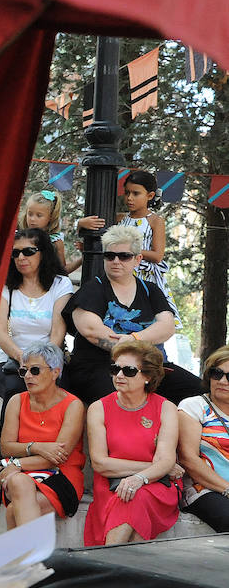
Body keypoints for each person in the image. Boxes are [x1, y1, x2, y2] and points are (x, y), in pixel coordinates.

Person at [62, 224, 199, 405]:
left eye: (124, 256)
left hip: (146, 367)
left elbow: (167, 326)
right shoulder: (92, 289)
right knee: (117, 397)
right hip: (101, 367)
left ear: (137, 259)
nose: (116, 261)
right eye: (110, 256)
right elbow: (92, 331)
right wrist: (133, 345)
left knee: (199, 390)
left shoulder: (150, 290)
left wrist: (134, 339)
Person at [84, 340, 182, 546]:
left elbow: (165, 457)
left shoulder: (166, 408)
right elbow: (100, 463)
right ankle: (127, 572)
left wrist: (141, 478)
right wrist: (159, 468)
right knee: (130, 499)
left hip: (156, 486)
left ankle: (108, 565)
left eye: (128, 371)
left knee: (134, 497)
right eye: (115, 369)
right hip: (111, 485)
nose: (119, 376)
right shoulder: (98, 408)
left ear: (147, 376)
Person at [0, 342, 86, 529]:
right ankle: (32, 557)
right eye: (24, 371)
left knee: (14, 509)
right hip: (21, 474)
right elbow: (6, 447)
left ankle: (24, 558)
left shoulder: (73, 405)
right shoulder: (17, 401)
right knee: (20, 481)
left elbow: (57, 457)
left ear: (55, 372)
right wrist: (36, 447)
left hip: (61, 475)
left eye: (35, 370)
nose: (28, 376)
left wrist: (18, 464)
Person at [0, 229, 72, 419]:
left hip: (48, 361)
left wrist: (40, 364)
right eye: (15, 253)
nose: (21, 257)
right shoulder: (6, 286)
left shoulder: (60, 284)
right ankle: (8, 448)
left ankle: (54, 447)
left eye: (28, 251)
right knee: (16, 390)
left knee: (65, 388)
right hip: (8, 362)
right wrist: (24, 360)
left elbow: (58, 332)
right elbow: (0, 333)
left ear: (43, 253)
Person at [175, 346, 229, 532]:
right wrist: (227, 489)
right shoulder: (195, 406)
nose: (222, 381)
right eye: (217, 373)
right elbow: (188, 459)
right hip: (203, 489)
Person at [118, 170, 177, 320]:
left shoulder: (155, 221)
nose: (130, 198)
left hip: (145, 278)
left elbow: (157, 256)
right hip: (121, 274)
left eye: (136, 193)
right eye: (127, 193)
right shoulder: (120, 218)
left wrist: (130, 251)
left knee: (145, 318)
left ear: (150, 196)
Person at [20, 188, 101, 274]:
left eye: (39, 215)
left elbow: (62, 270)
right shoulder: (19, 238)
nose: (32, 219)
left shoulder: (55, 241)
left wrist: (83, 258)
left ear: (50, 217)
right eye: (30, 214)